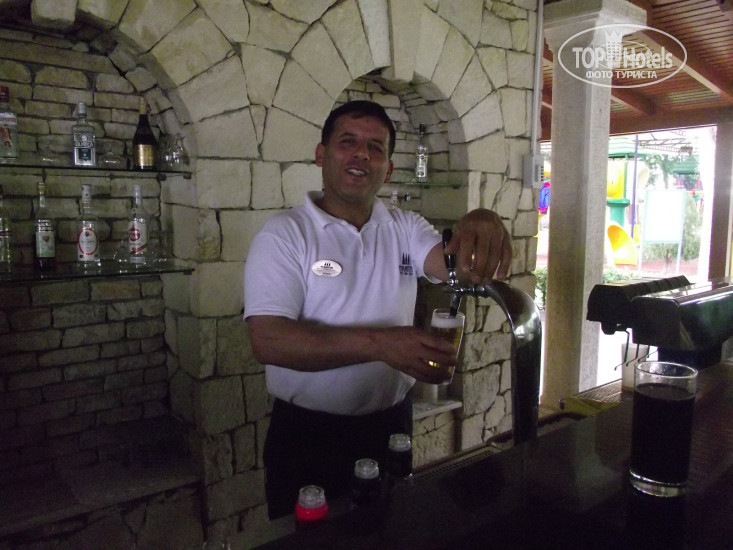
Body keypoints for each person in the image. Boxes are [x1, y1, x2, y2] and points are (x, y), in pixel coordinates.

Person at [244, 100, 512, 519]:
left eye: (375, 147)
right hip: (308, 435)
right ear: (321, 154)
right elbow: (268, 340)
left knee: (391, 529)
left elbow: (460, 267)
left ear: (387, 169)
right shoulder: (285, 234)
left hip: (390, 426)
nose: (361, 155)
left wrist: (482, 220)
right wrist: (382, 344)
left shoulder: (404, 227)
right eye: (347, 142)